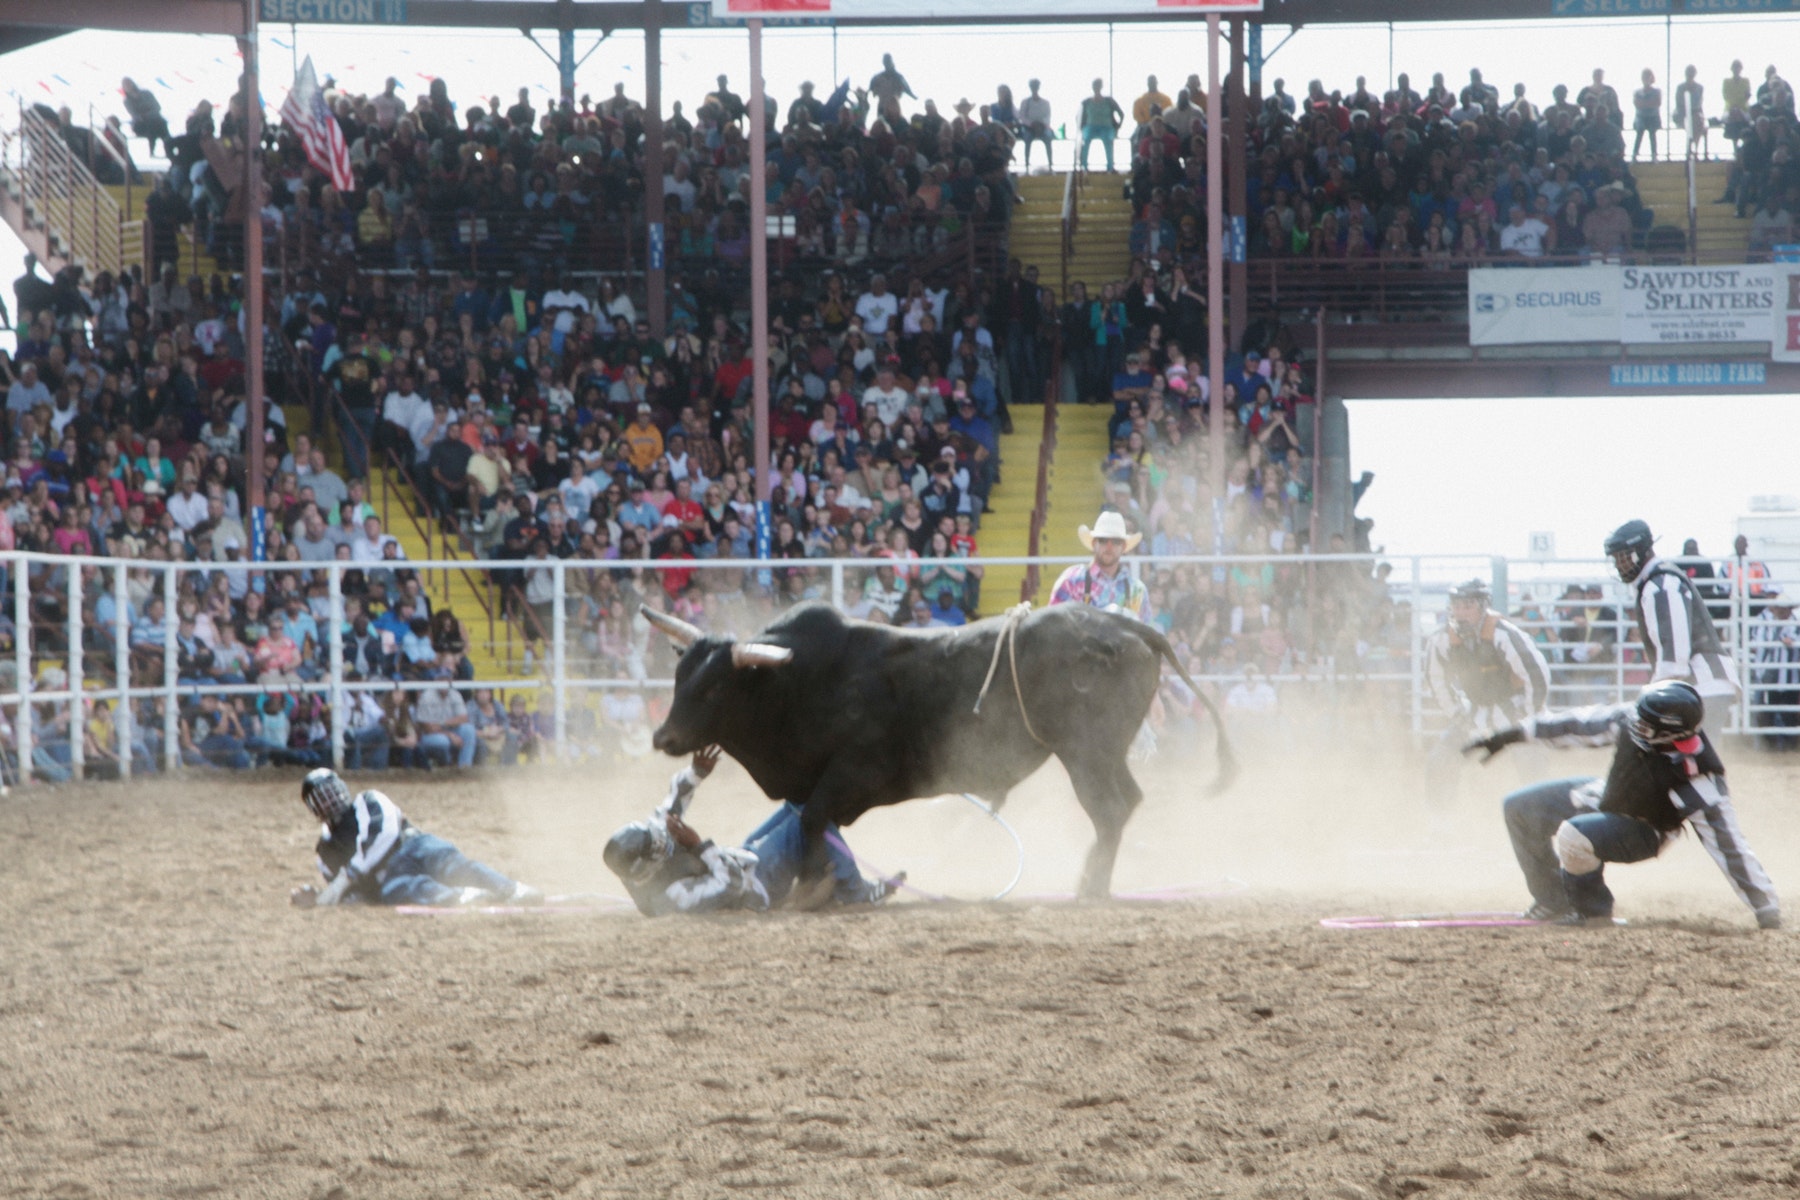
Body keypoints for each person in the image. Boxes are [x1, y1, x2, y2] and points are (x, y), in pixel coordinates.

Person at [1467, 681, 1779, 930]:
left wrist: (1765, 908)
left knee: (1573, 836)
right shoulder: (1635, 719)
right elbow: (1576, 725)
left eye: (1645, 725)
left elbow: (1727, 843)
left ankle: (1591, 912)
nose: (1635, 725)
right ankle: (1552, 900)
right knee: (1518, 807)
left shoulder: (1699, 776)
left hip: (1646, 830)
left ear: (1670, 735)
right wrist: (1509, 735)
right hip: (1606, 797)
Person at [602, 748, 896, 915]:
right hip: (758, 885)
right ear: (649, 866)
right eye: (661, 847)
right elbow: (731, 884)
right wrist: (698, 846)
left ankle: (818, 870)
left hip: (744, 859)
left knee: (801, 801)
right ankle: (856, 893)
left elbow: (672, 802)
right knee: (808, 816)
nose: (665, 838)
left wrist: (696, 773)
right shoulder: (673, 896)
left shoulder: (644, 853)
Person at [289, 769, 541, 908]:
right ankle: (461, 897)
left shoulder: (368, 800)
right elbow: (353, 895)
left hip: (412, 846)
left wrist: (351, 873)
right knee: (394, 890)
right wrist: (318, 899)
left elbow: (385, 834)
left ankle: (512, 888)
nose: (331, 799)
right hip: (392, 876)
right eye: (322, 797)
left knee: (451, 864)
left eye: (333, 791)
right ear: (313, 808)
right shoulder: (325, 851)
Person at [1423, 578, 1551, 806]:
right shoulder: (1441, 639)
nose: (1460, 613)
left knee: (1531, 759)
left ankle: (1539, 815)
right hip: (1473, 709)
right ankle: (1441, 825)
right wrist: (1455, 712)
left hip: (1513, 707)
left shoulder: (1505, 634)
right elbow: (1436, 679)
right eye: (1456, 606)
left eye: (1468, 606)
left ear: (1483, 607)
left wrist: (1531, 712)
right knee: (1439, 760)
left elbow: (1536, 674)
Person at [1603, 519, 1741, 714]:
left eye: (1622, 558)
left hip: (1700, 686)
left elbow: (1674, 657)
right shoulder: (1658, 582)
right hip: (1701, 686)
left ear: (1639, 553)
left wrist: (1652, 697)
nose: (1618, 565)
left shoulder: (1661, 586)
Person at [1048, 509, 1147, 619]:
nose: (1109, 547)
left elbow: (1145, 634)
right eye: (1103, 540)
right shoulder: (1072, 581)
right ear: (1094, 543)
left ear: (1123, 547)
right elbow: (1053, 627)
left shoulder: (1137, 591)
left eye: (1116, 541)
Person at [1077, 79, 1124, 173]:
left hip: (1107, 127)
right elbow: (1078, 117)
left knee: (1108, 140)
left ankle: (1110, 167)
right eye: (1095, 86)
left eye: (1098, 85)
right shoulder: (1086, 102)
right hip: (1090, 127)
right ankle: (1084, 166)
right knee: (1086, 140)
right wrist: (1081, 128)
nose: (1096, 88)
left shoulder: (1109, 101)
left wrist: (1118, 127)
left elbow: (1121, 114)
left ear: (1101, 87)